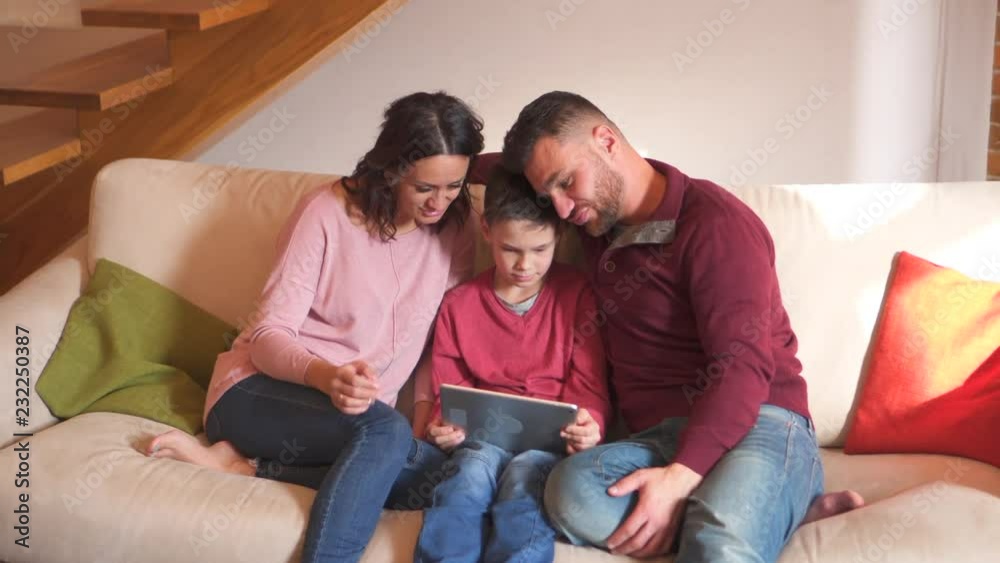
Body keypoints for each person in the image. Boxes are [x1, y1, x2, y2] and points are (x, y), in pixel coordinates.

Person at [482, 91, 863, 562]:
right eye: (547, 196)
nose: (560, 210)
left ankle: (743, 511)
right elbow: (488, 168)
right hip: (658, 438)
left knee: (718, 546)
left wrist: (679, 478)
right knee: (569, 492)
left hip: (758, 418)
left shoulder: (715, 225)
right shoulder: (595, 219)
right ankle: (771, 513)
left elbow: (741, 369)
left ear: (606, 141)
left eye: (565, 183)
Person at [144, 91, 485, 563]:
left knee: (446, 476)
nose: (440, 202)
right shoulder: (326, 212)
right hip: (256, 393)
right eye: (426, 187)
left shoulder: (456, 229)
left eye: (454, 186)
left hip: (357, 426)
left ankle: (247, 467)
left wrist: (428, 410)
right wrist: (328, 377)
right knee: (385, 437)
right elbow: (266, 339)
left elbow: (438, 340)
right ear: (392, 169)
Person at [413, 166, 612, 563]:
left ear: (559, 235)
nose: (525, 265)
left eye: (540, 250)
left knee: (525, 485)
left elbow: (589, 385)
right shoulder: (460, 304)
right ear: (487, 231)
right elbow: (449, 388)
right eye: (510, 249)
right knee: (464, 482)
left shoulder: (576, 295)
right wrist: (445, 424)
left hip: (547, 445)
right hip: (479, 441)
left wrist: (589, 425)